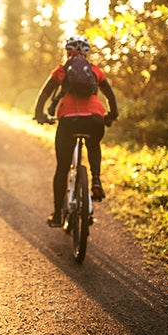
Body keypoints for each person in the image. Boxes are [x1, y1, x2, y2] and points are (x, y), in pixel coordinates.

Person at [34, 35, 118, 226]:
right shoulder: (95, 70)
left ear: (67, 51)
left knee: (62, 168)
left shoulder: (61, 71)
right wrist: (111, 115)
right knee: (94, 144)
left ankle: (57, 216)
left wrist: (39, 115)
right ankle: (96, 180)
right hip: (95, 120)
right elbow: (110, 95)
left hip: (69, 121)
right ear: (87, 54)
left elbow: (44, 95)